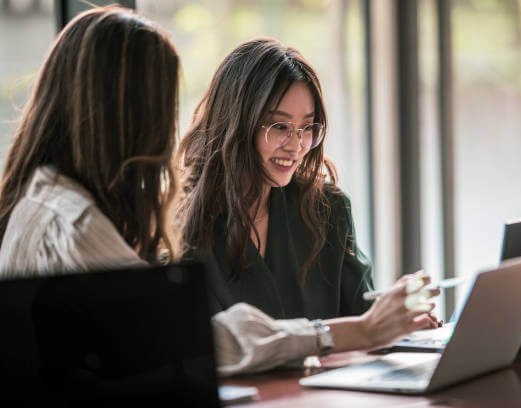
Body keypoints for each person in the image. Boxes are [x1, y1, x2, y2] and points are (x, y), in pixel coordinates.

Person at [0, 7, 438, 378]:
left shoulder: (51, 207)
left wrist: (387, 326)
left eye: (307, 128)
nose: (164, 131)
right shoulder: (82, 224)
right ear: (121, 118)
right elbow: (194, 340)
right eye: (159, 108)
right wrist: (348, 332)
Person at [179, 38, 441, 374]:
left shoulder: (326, 210)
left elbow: (365, 321)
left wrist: (401, 321)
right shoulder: (182, 226)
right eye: (279, 127)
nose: (297, 146)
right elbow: (199, 354)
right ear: (236, 122)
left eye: (307, 128)